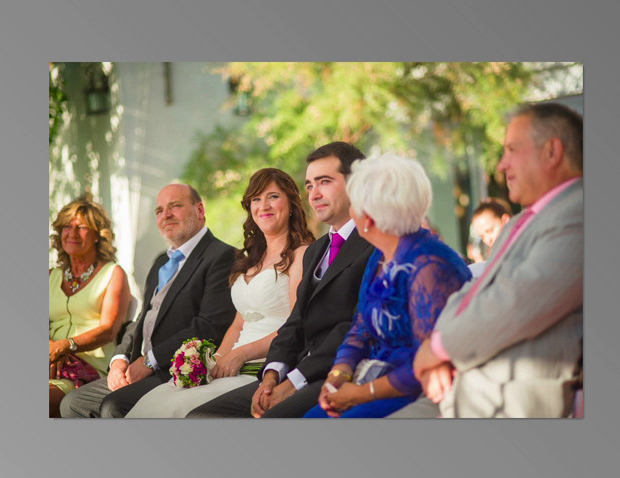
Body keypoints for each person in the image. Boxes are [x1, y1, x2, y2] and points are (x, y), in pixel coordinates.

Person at [408, 102, 583, 418]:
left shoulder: (579, 213)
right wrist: (438, 351)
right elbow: (466, 296)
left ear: (552, 152)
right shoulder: (518, 223)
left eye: (512, 150)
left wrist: (437, 349)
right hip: (465, 389)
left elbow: (514, 304)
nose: (501, 165)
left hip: (509, 401)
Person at [186, 141, 374, 418]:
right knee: (198, 416)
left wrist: (294, 380)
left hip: (339, 370)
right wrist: (273, 374)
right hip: (291, 368)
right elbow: (296, 323)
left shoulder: (374, 244)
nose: (314, 194)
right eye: (310, 185)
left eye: (324, 182)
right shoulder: (318, 250)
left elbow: (354, 325)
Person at [126, 168, 314, 417]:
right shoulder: (251, 259)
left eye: (273, 197)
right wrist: (215, 360)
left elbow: (295, 325)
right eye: (256, 199)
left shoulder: (302, 254)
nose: (263, 206)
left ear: (291, 203)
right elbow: (238, 324)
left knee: (184, 412)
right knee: (154, 403)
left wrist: (240, 355)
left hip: (265, 366)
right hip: (232, 363)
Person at [303, 154, 472, 418]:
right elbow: (360, 325)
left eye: (354, 205)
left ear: (368, 218)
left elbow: (427, 361)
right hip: (368, 376)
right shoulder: (379, 255)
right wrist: (338, 373)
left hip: (414, 390)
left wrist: (359, 393)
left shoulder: (430, 266)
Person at [60, 184, 237, 418]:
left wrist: (150, 362)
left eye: (175, 206)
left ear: (200, 210)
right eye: (159, 211)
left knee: (113, 406)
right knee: (73, 403)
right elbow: (142, 318)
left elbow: (209, 326)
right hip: (136, 368)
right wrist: (119, 360)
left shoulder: (223, 256)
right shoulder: (161, 261)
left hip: (174, 370)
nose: (166, 215)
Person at [49, 196, 131, 418]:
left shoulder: (113, 274)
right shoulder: (50, 276)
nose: (72, 233)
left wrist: (67, 345)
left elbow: (109, 330)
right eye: (67, 226)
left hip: (88, 370)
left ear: (97, 235)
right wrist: (51, 347)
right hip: (51, 362)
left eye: (82, 227)